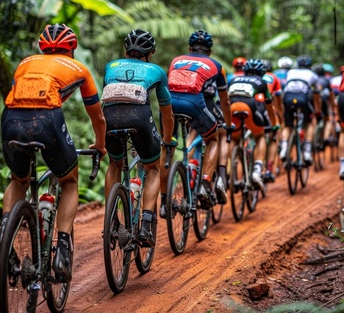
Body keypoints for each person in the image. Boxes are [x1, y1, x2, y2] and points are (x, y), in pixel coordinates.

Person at [0, 24, 107, 282]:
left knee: (18, 180)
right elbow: (97, 116)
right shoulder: (78, 69)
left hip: (10, 120)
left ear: (42, 47)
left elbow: (24, 96)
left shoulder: (25, 63)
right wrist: (100, 145)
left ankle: (4, 233)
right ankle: (63, 250)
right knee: (69, 181)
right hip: (46, 121)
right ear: (72, 49)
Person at [102, 29, 175, 247]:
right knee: (152, 167)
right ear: (149, 54)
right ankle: (145, 225)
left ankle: (112, 221)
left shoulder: (111, 66)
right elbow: (166, 113)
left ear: (126, 51)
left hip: (109, 117)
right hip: (140, 118)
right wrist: (168, 140)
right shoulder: (157, 70)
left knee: (115, 163)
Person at [161, 30, 233, 210]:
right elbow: (224, 100)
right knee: (213, 138)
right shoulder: (216, 65)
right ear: (209, 51)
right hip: (194, 104)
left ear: (189, 48)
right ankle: (205, 184)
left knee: (167, 146)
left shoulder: (176, 60)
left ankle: (163, 202)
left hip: (168, 105)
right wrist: (229, 124)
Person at [228, 59, 277, 190]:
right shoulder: (261, 82)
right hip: (249, 107)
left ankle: (231, 172)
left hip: (231, 107)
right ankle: (257, 169)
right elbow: (269, 106)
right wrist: (274, 123)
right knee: (260, 136)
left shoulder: (234, 79)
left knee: (234, 138)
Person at [279, 54, 321, 165]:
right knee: (309, 122)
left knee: (288, 125)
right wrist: (317, 111)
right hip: (302, 98)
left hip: (288, 97)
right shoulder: (313, 75)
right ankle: (307, 151)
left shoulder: (290, 72)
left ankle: (284, 148)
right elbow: (316, 95)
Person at [261, 59, 283, 182]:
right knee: (273, 136)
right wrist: (279, 116)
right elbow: (277, 100)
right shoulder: (274, 77)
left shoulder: (252, 76)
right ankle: (269, 169)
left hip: (250, 108)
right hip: (266, 108)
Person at [311, 63, 333, 148]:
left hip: (311, 99)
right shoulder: (326, 80)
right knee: (327, 120)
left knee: (312, 119)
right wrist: (332, 106)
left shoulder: (312, 78)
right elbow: (331, 95)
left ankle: (311, 140)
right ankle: (325, 138)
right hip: (322, 99)